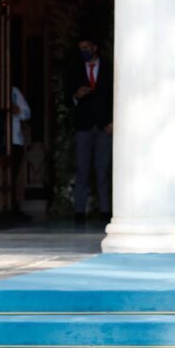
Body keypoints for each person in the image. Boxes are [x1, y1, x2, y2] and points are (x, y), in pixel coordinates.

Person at [67, 37, 113, 225]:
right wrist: (76, 96)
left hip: (104, 126)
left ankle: (105, 210)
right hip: (83, 126)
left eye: (86, 47)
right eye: (81, 48)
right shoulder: (76, 69)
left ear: (94, 47)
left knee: (103, 169)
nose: (84, 51)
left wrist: (112, 121)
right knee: (82, 169)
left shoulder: (108, 68)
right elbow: (66, 96)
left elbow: (114, 94)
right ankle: (79, 211)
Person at [10, 84, 31, 222]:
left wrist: (16, 110)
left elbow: (27, 113)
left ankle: (12, 208)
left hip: (14, 140)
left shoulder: (13, 91)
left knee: (12, 177)